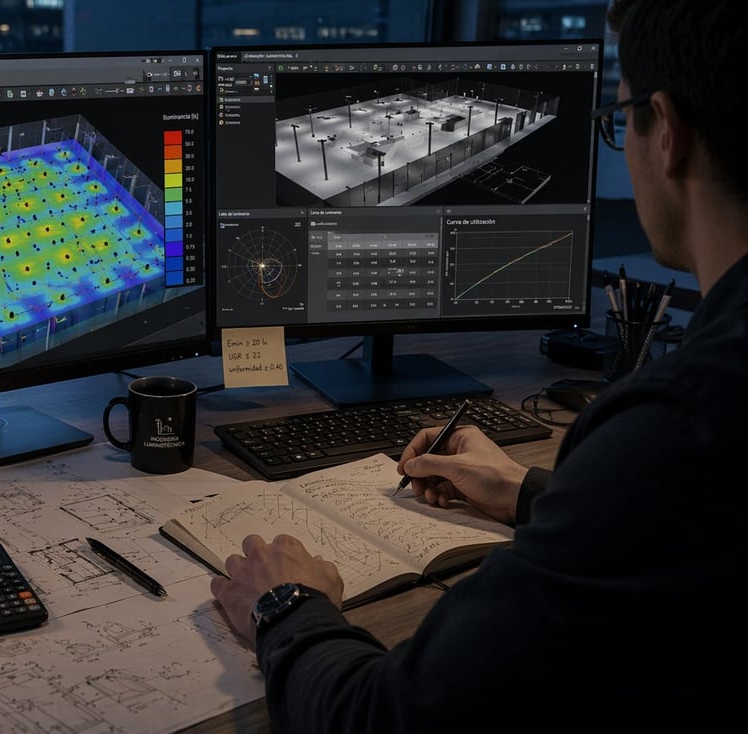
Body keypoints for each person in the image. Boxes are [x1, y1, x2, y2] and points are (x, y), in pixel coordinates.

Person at [210, 1, 748, 730]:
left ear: (669, 134)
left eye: (619, 123)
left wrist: (286, 606)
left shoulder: (679, 426)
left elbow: (386, 718)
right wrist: (530, 492)